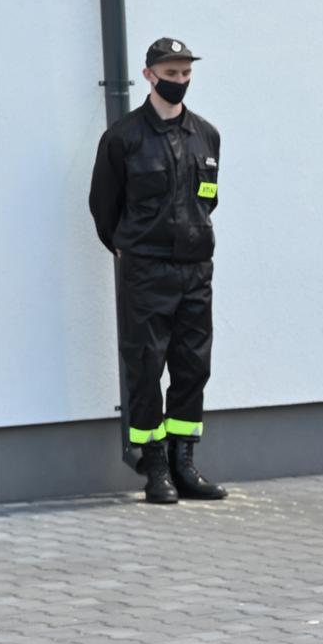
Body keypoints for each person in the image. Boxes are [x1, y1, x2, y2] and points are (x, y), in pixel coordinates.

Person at [88, 37, 228, 504]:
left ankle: (185, 463)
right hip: (146, 272)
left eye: (186, 74)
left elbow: (208, 201)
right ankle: (154, 468)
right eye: (171, 75)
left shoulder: (206, 135)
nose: (180, 82)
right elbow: (103, 208)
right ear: (149, 75)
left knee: (192, 367)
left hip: (195, 271)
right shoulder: (123, 138)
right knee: (146, 367)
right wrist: (127, 249)